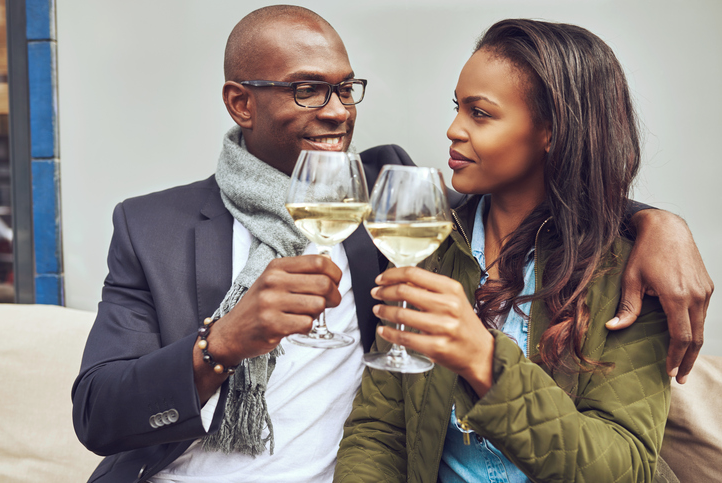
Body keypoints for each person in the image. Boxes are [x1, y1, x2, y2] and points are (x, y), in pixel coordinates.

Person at [71, 6, 710, 483]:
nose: (338, 111)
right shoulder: (150, 226)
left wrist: (660, 224)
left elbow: (566, 193)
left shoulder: (395, 206)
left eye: (345, 89)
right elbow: (99, 415)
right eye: (307, 89)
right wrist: (221, 343)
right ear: (241, 102)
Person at [335, 19, 689, 482]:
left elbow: (624, 468)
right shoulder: (430, 248)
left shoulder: (632, 273)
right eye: (457, 108)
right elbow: (379, 431)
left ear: (552, 131)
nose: (453, 130)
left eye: (479, 113)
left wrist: (484, 359)